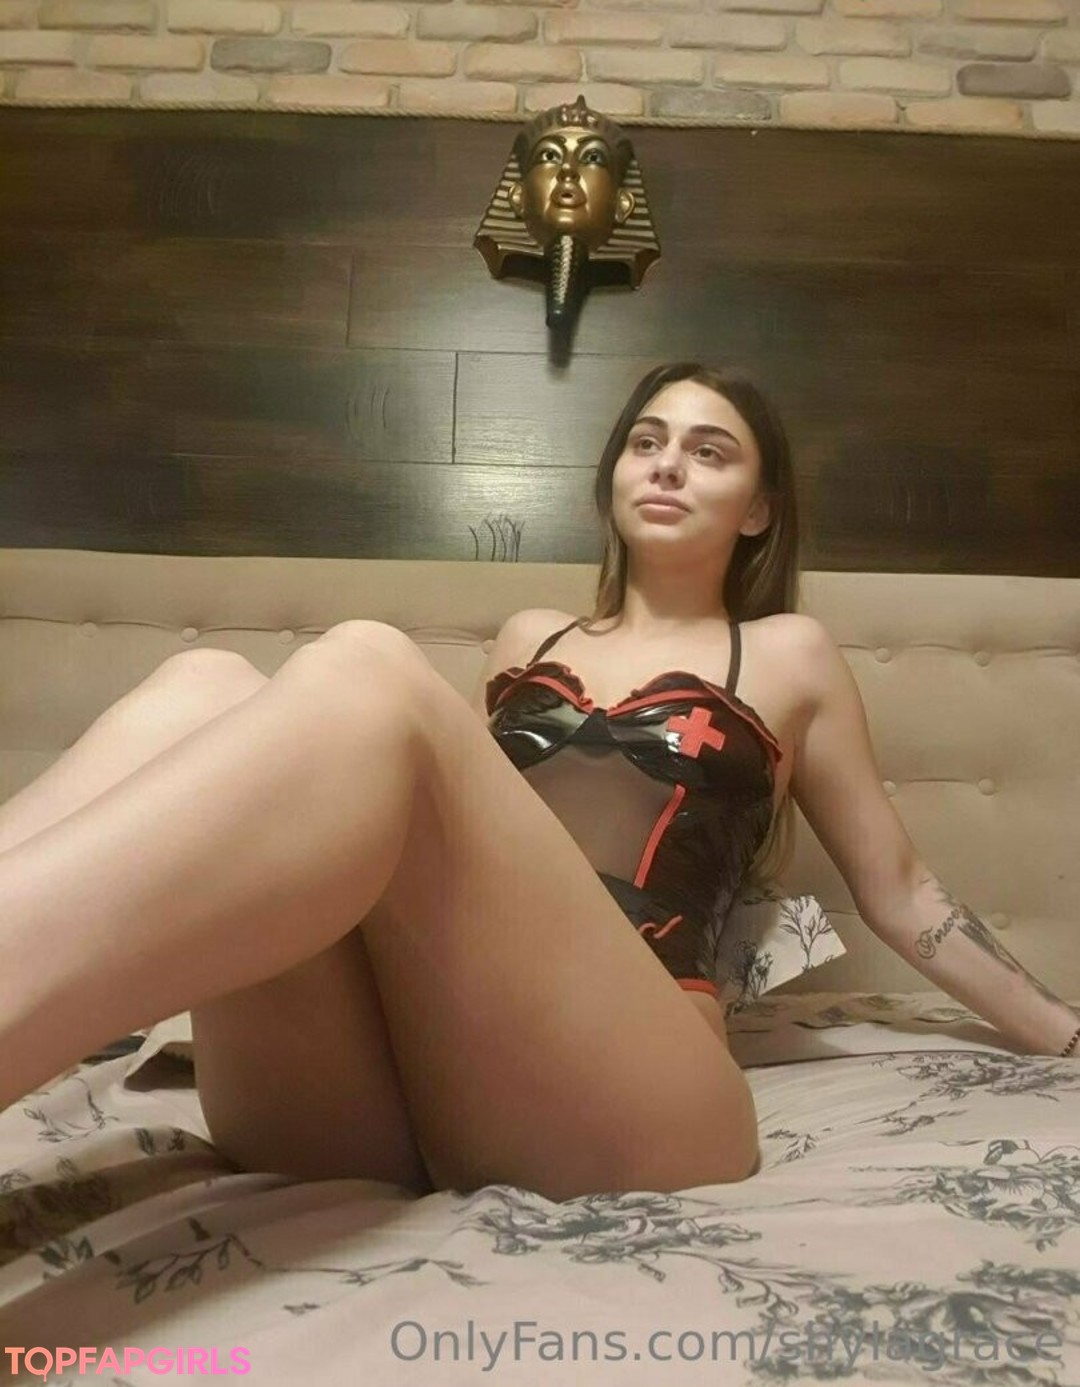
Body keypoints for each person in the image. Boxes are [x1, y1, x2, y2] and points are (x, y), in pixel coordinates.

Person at [0, 363, 1076, 1206]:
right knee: (204, 687)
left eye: (708, 452)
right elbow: (436, 871)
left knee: (369, 665)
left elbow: (903, 892)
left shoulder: (790, 654)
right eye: (646, 442)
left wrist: (1066, 1034)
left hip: (640, 1091)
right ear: (612, 479)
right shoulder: (529, 640)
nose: (668, 465)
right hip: (408, 1096)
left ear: (757, 509)